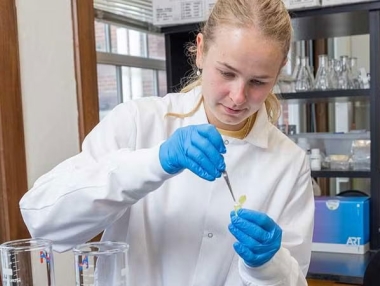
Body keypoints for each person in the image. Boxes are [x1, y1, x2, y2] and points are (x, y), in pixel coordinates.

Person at [20, 0, 314, 285]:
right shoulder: (139, 121)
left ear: (279, 71)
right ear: (200, 51)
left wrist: (268, 264)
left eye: (258, 82)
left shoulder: (289, 163)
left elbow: (293, 281)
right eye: (227, 73)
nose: (238, 97)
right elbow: (43, 219)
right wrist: (155, 161)